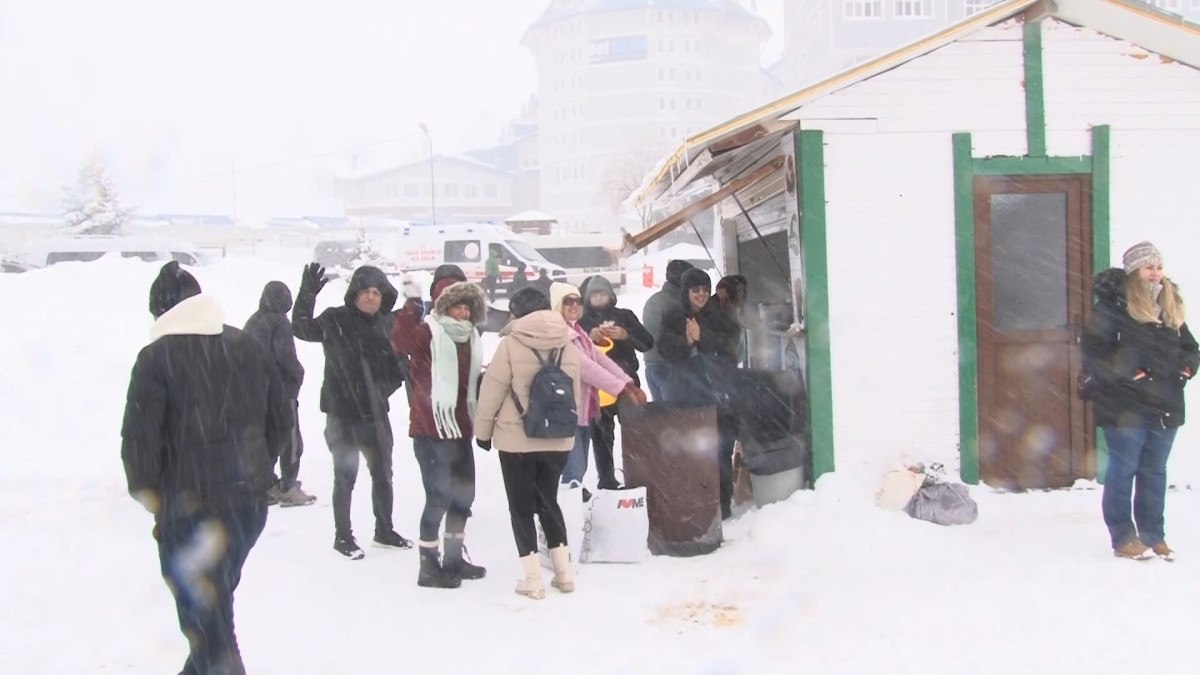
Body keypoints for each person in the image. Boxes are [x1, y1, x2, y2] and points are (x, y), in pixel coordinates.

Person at [122, 261, 292, 675]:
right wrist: (252, 471)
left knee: (210, 628)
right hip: (247, 509)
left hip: (189, 509)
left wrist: (158, 500)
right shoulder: (245, 346)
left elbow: (138, 449)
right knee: (212, 614)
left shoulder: (156, 358)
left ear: (160, 311)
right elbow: (281, 420)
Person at [1083, 241, 1198, 560]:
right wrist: (1129, 372)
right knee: (1124, 468)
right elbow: (1094, 354)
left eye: (1159, 267)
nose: (1155, 273)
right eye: (1148, 267)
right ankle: (1123, 537)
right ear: (1134, 271)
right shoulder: (1113, 306)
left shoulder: (1170, 305)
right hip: (1124, 404)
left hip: (1165, 402)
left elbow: (1190, 347)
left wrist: (1188, 368)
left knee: (1154, 470)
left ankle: (1153, 534)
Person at [292, 263, 411, 560]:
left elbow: (396, 369)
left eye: (376, 292)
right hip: (342, 414)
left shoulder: (387, 324)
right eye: (365, 292)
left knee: (383, 475)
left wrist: (384, 386)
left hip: (375, 414)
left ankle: (384, 530)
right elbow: (301, 328)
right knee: (345, 477)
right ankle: (343, 537)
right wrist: (307, 293)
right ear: (354, 294)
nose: (371, 297)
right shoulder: (336, 319)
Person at [475, 287, 583, 600]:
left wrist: (483, 434)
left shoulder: (510, 343)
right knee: (548, 502)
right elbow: (575, 392)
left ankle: (533, 579)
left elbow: (491, 392)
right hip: (558, 439)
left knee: (521, 508)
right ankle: (564, 575)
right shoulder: (567, 342)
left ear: (518, 313)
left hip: (517, 439)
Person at [392, 277, 489, 589]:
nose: (462, 313)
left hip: (460, 429)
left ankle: (453, 558)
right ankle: (428, 566)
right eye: (457, 306)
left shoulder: (472, 339)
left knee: (464, 496)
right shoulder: (429, 332)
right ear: (445, 307)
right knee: (438, 497)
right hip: (430, 429)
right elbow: (401, 342)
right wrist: (410, 305)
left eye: (467, 308)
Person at [657, 268, 742, 519]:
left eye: (705, 289)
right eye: (696, 290)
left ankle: (722, 507)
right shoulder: (674, 316)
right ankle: (694, 503)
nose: (701, 295)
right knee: (689, 452)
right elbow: (664, 350)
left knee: (720, 452)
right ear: (686, 292)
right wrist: (687, 342)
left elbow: (731, 346)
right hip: (685, 396)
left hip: (719, 394)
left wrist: (702, 336)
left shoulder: (719, 316)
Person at [550, 282, 646, 492]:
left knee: (579, 466)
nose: (574, 306)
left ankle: (569, 511)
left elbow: (600, 360)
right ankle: (564, 516)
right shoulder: (562, 333)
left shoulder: (577, 330)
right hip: (567, 409)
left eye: (577, 301)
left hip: (583, 407)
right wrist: (622, 388)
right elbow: (587, 368)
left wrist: (628, 383)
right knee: (573, 471)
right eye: (568, 302)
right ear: (557, 305)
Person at [243, 280, 316, 507]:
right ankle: (289, 487)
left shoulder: (253, 321)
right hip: (281, 392)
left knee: (267, 439)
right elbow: (286, 357)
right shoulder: (279, 322)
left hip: (256, 393)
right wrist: (297, 375)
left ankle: (266, 485)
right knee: (291, 440)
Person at [578, 275, 654, 489]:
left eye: (603, 293)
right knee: (602, 437)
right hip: (597, 388)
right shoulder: (582, 322)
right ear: (587, 299)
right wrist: (589, 337)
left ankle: (638, 477)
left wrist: (626, 334)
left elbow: (647, 343)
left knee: (635, 431)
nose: (599, 298)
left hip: (628, 384)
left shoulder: (625, 316)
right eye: (594, 295)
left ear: (611, 296)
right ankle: (607, 479)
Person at [642, 260, 694, 400]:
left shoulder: (653, 300)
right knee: (677, 418)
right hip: (670, 368)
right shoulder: (677, 303)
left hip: (651, 366)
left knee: (663, 418)